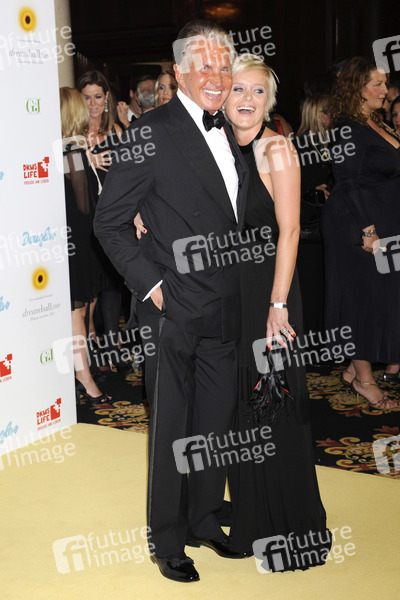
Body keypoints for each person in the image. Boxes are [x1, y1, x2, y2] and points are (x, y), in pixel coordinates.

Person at [94, 20, 249, 583]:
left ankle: (204, 518)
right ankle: (167, 537)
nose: (216, 77)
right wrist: (152, 287)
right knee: (172, 430)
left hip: (226, 304)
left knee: (215, 422)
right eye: (203, 66)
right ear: (179, 72)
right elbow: (109, 223)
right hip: (173, 309)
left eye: (223, 66)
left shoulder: (232, 130)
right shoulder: (149, 132)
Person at [223, 54, 331, 570]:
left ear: (269, 102)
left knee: (275, 405)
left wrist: (278, 304)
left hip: (271, 291)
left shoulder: (277, 149)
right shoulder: (219, 147)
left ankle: (289, 526)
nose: (247, 99)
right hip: (232, 294)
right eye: (238, 89)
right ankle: (251, 517)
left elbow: (289, 231)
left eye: (258, 91)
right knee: (242, 406)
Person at [322, 57, 400, 407]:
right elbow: (347, 180)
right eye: (377, 84)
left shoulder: (374, 122)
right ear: (358, 88)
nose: (385, 90)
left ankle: (355, 368)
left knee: (377, 297)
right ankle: (364, 379)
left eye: (385, 83)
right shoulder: (347, 126)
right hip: (354, 223)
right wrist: (368, 230)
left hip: (379, 221)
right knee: (362, 299)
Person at [77, 70, 132, 376]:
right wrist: (89, 160)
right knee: (90, 291)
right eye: (86, 97)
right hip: (84, 221)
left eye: (98, 96)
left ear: (107, 97)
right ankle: (89, 352)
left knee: (112, 285)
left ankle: (113, 346)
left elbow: (128, 176)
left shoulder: (116, 132)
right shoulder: (73, 133)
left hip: (113, 218)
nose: (93, 104)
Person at [60, 87, 110, 404]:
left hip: (72, 242)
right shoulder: (73, 153)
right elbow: (85, 205)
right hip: (76, 243)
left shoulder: (68, 152)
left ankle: (83, 373)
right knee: (75, 312)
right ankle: (84, 378)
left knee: (76, 311)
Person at [294, 94, 333, 337]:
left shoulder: (327, 144)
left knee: (321, 291)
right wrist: (313, 193)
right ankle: (311, 346)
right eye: (332, 112)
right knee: (310, 293)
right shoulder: (298, 146)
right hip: (306, 234)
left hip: (323, 233)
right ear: (321, 115)